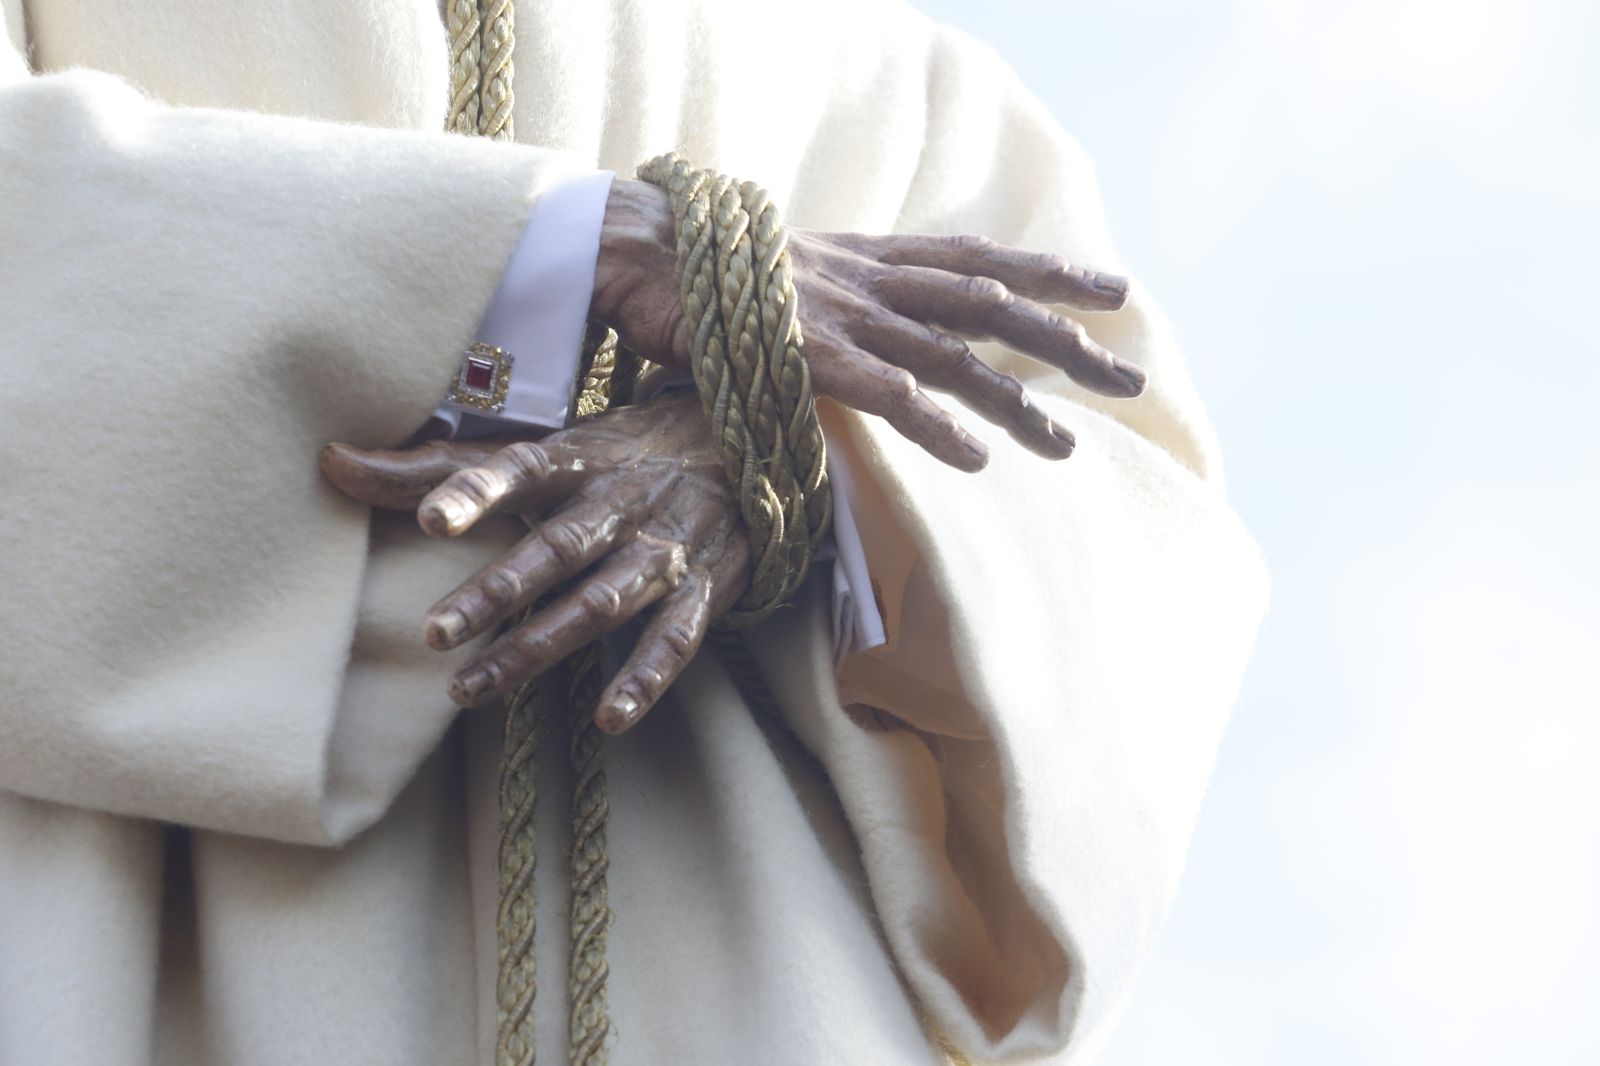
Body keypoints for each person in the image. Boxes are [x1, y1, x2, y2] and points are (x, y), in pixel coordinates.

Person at [0, 1, 1268, 1064]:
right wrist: (553, 258)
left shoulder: (884, 70)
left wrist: (787, 452)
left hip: (740, 982)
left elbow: (1137, 526)